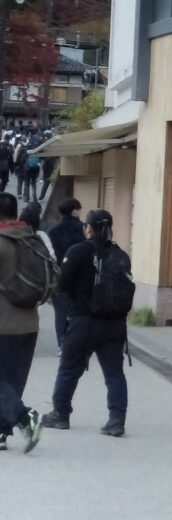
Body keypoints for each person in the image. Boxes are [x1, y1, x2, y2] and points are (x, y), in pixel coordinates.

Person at [41, 209, 131, 437]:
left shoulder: (78, 251)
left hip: (83, 321)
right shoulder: (120, 255)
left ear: (88, 228)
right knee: (114, 373)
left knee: (69, 369)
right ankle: (116, 420)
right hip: (114, 324)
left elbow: (62, 284)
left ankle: (60, 414)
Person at [0, 192, 43, 453]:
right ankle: (1, 433)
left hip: (3, 324)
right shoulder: (32, 240)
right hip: (29, 323)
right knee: (12, 381)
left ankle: (25, 418)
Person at [47, 198, 85, 355]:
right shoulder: (84, 229)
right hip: (82, 278)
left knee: (61, 312)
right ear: (74, 211)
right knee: (80, 311)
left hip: (59, 277)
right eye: (79, 209)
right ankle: (79, 343)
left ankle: (63, 345)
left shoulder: (53, 232)